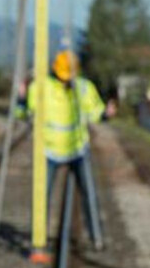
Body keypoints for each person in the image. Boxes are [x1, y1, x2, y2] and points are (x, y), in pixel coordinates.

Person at [19, 50, 107, 251]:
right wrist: (21, 102)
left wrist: (105, 112)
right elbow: (27, 111)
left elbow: (95, 113)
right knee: (43, 197)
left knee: (89, 194)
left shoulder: (83, 88)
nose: (66, 81)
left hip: (77, 148)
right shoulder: (41, 87)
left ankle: (97, 238)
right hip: (50, 149)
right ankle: (38, 240)